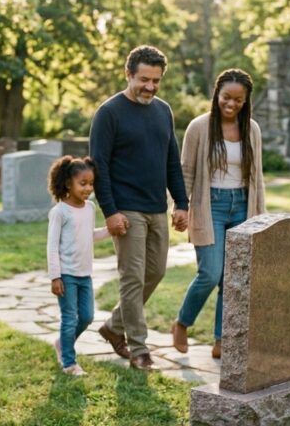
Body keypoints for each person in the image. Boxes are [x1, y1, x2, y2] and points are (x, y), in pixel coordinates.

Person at [89, 45, 189, 371]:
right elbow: (98, 166)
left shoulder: (163, 111)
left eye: (156, 81)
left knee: (156, 272)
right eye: (144, 79)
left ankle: (113, 326)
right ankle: (139, 349)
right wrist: (110, 211)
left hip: (156, 207)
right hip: (126, 209)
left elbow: (172, 161)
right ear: (128, 74)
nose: (150, 86)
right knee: (132, 278)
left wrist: (182, 203)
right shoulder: (109, 113)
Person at [170, 69, 266, 358]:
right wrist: (180, 206)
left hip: (242, 205)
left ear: (246, 101)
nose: (231, 104)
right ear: (216, 94)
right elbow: (186, 171)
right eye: (226, 97)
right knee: (210, 273)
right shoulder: (199, 127)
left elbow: (257, 177)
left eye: (238, 99)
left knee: (233, 278)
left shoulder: (252, 129)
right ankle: (182, 322)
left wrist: (260, 216)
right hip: (209, 205)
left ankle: (222, 340)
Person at [46, 156, 110, 377]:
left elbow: (89, 235)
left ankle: (62, 343)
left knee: (87, 316)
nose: (88, 188)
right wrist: (55, 277)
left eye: (91, 183)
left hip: (85, 274)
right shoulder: (60, 212)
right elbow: (52, 247)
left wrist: (110, 230)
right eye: (83, 183)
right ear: (68, 183)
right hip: (66, 275)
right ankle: (69, 363)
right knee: (69, 318)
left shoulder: (90, 208)